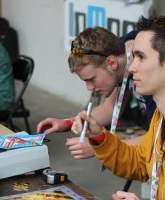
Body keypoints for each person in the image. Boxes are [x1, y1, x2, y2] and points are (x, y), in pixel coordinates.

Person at [72, 13, 165, 200]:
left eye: (141, 57)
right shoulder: (160, 118)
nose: (132, 67)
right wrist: (99, 137)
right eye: (133, 57)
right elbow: (141, 162)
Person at [37, 27, 155, 159]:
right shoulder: (120, 54)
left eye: (91, 79)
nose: (89, 87)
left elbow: (159, 138)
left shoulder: (151, 71)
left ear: (111, 63)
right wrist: (67, 123)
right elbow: (110, 109)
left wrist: (102, 146)